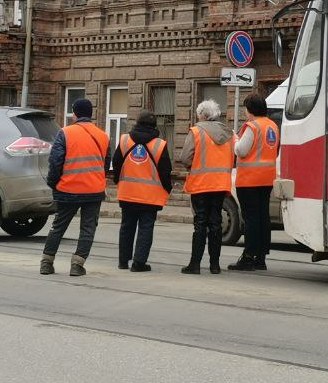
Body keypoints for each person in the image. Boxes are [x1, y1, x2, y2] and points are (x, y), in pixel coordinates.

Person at [41, 98, 109, 276]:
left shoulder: (65, 133)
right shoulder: (103, 136)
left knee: (58, 226)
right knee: (88, 228)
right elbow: (106, 164)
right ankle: (77, 265)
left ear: (75, 114)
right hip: (94, 191)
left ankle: (46, 263)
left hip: (68, 189)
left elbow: (55, 162)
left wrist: (53, 183)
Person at [111, 111, 172, 272]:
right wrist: (168, 189)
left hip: (127, 192)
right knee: (146, 227)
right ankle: (139, 263)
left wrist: (118, 180)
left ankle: (123, 261)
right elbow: (165, 171)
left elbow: (116, 162)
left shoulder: (125, 140)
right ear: (154, 126)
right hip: (150, 196)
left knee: (126, 226)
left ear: (137, 123)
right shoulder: (159, 144)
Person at [178, 99, 233, 274]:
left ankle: (195, 264)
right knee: (216, 223)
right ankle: (215, 266)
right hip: (220, 184)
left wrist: (193, 167)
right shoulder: (229, 134)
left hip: (201, 184)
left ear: (202, 115)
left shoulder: (196, 131)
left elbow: (185, 157)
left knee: (200, 223)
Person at [229, 92, 280, 271]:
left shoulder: (252, 127)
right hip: (267, 179)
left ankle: (248, 257)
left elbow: (241, 151)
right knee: (262, 218)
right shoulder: (272, 126)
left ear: (250, 109)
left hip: (249, 179)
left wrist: (235, 140)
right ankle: (261, 257)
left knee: (250, 219)